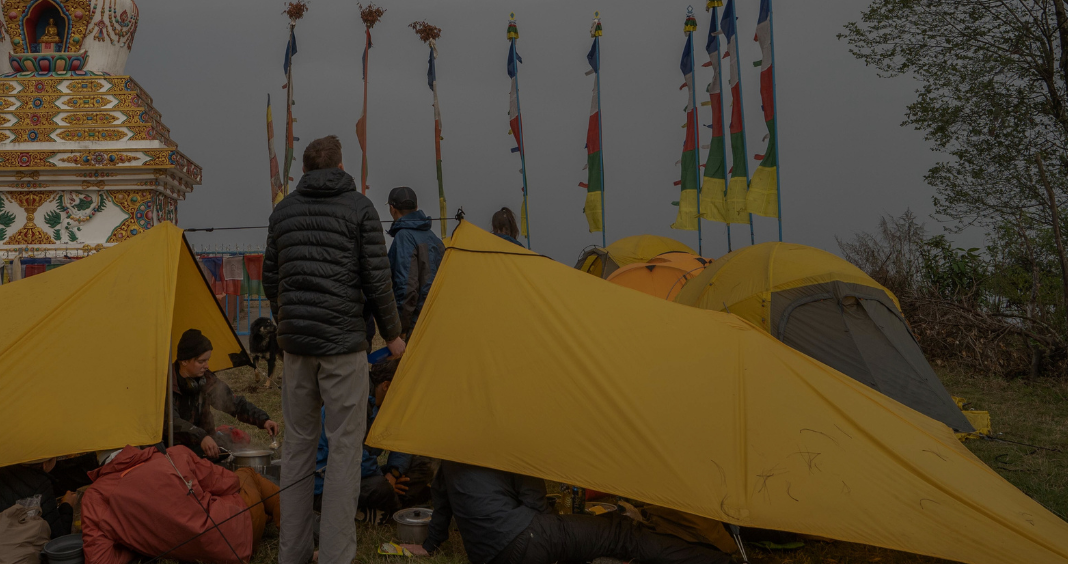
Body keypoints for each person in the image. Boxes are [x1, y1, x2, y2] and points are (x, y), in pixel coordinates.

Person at [263, 135, 404, 564]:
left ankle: (293, 553)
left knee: (298, 446)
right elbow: (377, 281)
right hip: (344, 344)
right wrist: (393, 335)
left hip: (296, 348)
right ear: (340, 166)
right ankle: (336, 556)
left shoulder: (283, 211)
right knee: (344, 449)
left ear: (304, 170)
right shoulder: (361, 209)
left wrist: (288, 318)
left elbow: (271, 278)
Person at [405, 461, 729, 564]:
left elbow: (442, 505)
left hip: (488, 556)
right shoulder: (502, 440)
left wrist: (429, 545)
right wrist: (550, 524)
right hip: (527, 539)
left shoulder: (447, 453)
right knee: (620, 532)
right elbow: (532, 496)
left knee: (585, 537)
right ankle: (719, 561)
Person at [79, 444, 283, 564]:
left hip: (204, 556)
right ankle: (290, 526)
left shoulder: (94, 497)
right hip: (240, 529)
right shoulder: (174, 454)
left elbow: (100, 560)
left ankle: (271, 516)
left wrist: (137, 540)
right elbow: (230, 483)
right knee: (246, 475)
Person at [315, 358, 433, 519]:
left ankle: (381, 507)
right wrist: (384, 481)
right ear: (386, 386)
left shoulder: (386, 404)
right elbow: (353, 458)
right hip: (328, 483)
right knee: (380, 487)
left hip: (363, 475)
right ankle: (390, 509)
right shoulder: (353, 404)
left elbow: (402, 441)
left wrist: (393, 473)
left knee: (423, 464)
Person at [167, 328, 278, 459]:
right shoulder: (168, 385)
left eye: (207, 360)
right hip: (175, 451)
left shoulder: (206, 379)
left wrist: (263, 420)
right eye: (201, 361)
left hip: (207, 444)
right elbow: (171, 423)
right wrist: (202, 437)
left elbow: (233, 403)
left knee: (236, 450)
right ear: (184, 361)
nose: (207, 366)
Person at [386, 187, 444, 336]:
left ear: (392, 209)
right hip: (437, 321)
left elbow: (407, 288)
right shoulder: (435, 238)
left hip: (415, 327)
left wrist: (399, 329)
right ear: (416, 207)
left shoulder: (403, 237)